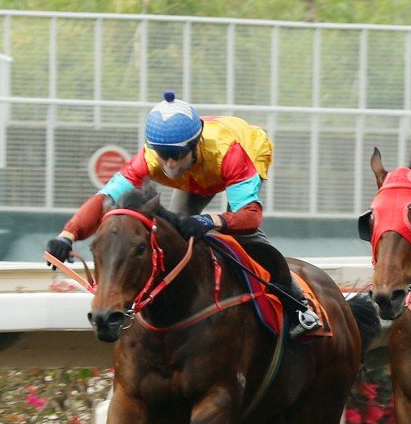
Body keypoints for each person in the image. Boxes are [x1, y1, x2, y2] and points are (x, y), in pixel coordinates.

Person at [46, 92, 320, 337]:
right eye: (163, 154)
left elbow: (249, 217)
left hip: (244, 152)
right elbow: (106, 198)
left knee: (245, 239)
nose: (170, 164)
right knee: (171, 232)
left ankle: (299, 306)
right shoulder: (148, 158)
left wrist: (212, 220)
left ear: (195, 144)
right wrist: (68, 234)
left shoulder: (231, 156)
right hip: (199, 173)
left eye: (176, 154)